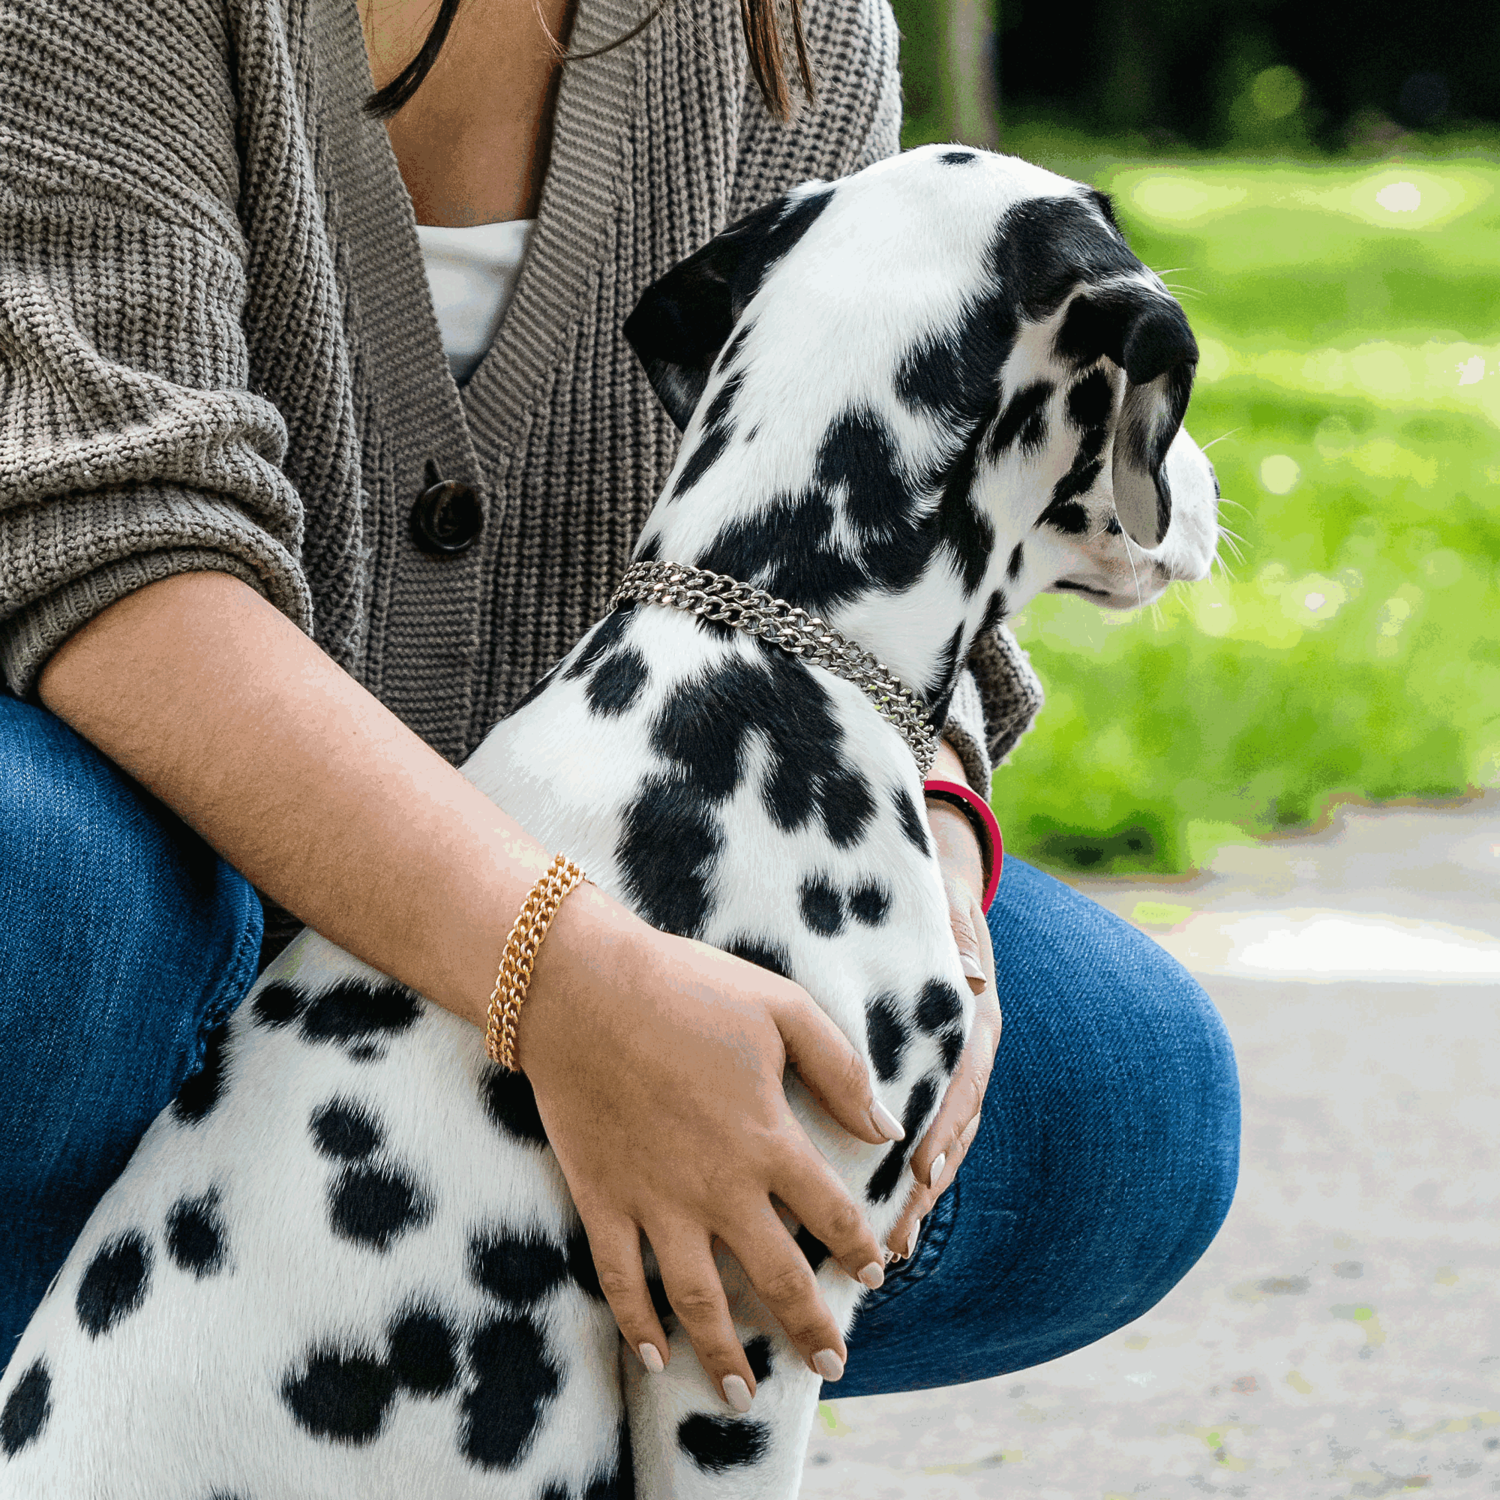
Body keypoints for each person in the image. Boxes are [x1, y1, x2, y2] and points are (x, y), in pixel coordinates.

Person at [0, 0, 1239, 1410]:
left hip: (645, 877)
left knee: (1126, 1100)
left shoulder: (792, 25)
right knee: (31, 899)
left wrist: (935, 831)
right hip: (151, 885)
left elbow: (899, 529)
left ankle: (469, 1402)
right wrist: (564, 981)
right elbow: (109, 532)